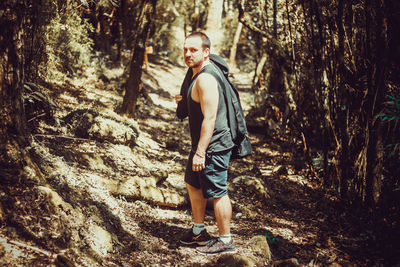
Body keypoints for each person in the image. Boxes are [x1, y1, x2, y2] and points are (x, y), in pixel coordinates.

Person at [175, 32, 236, 255]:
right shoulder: (195, 75)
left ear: (206, 51)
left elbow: (210, 119)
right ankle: (199, 231)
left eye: (193, 50)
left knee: (218, 191)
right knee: (193, 183)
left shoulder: (206, 78)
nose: (188, 54)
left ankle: (226, 240)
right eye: (185, 49)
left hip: (213, 145)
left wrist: (201, 152)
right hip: (201, 144)